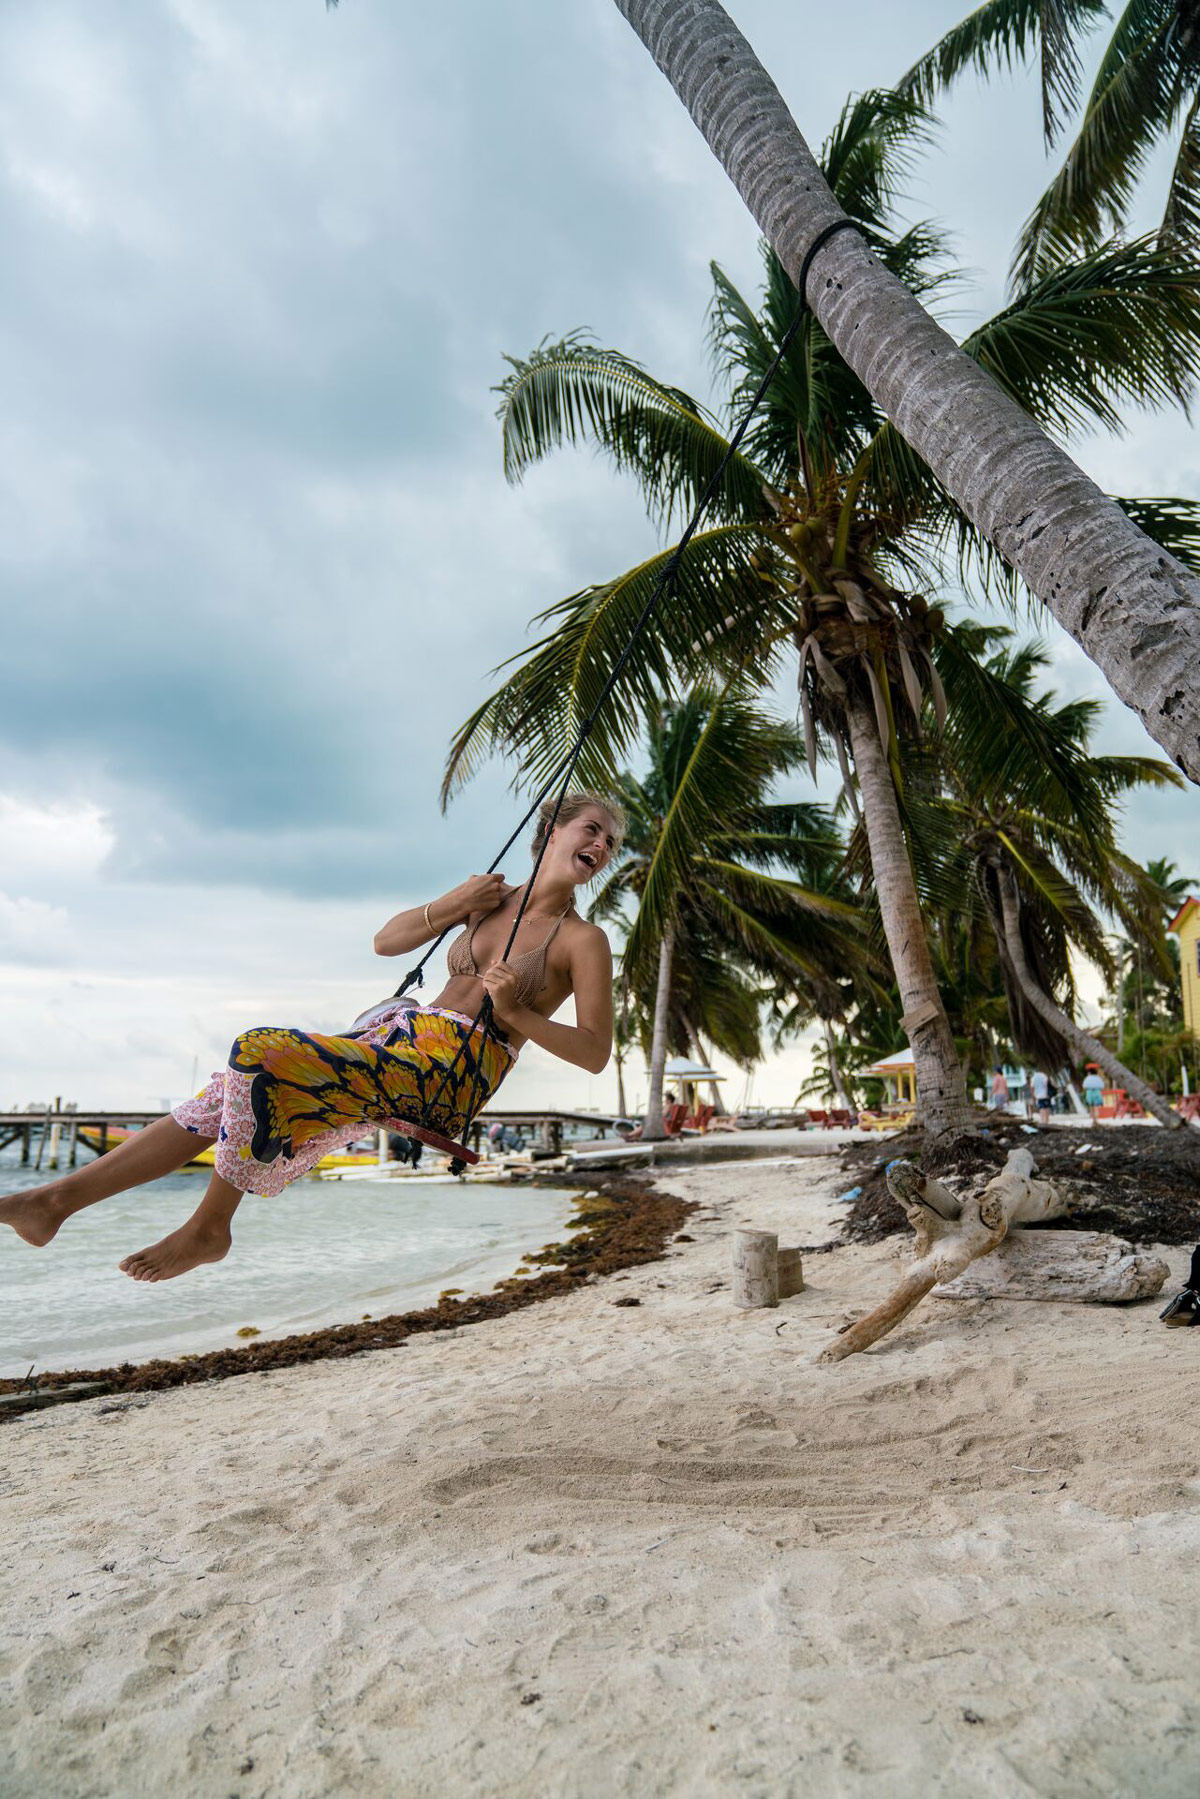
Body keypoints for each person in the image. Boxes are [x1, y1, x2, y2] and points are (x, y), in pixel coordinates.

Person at [0, 793, 622, 1281]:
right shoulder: (485, 900)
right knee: (225, 1092)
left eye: (610, 840)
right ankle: (54, 1201)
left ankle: (209, 1227)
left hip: (453, 1074)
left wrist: (514, 1012)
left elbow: (594, 1054)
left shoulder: (582, 941)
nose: (601, 842)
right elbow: (387, 942)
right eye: (590, 827)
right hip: (397, 1042)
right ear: (551, 831)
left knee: (259, 1050)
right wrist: (453, 900)